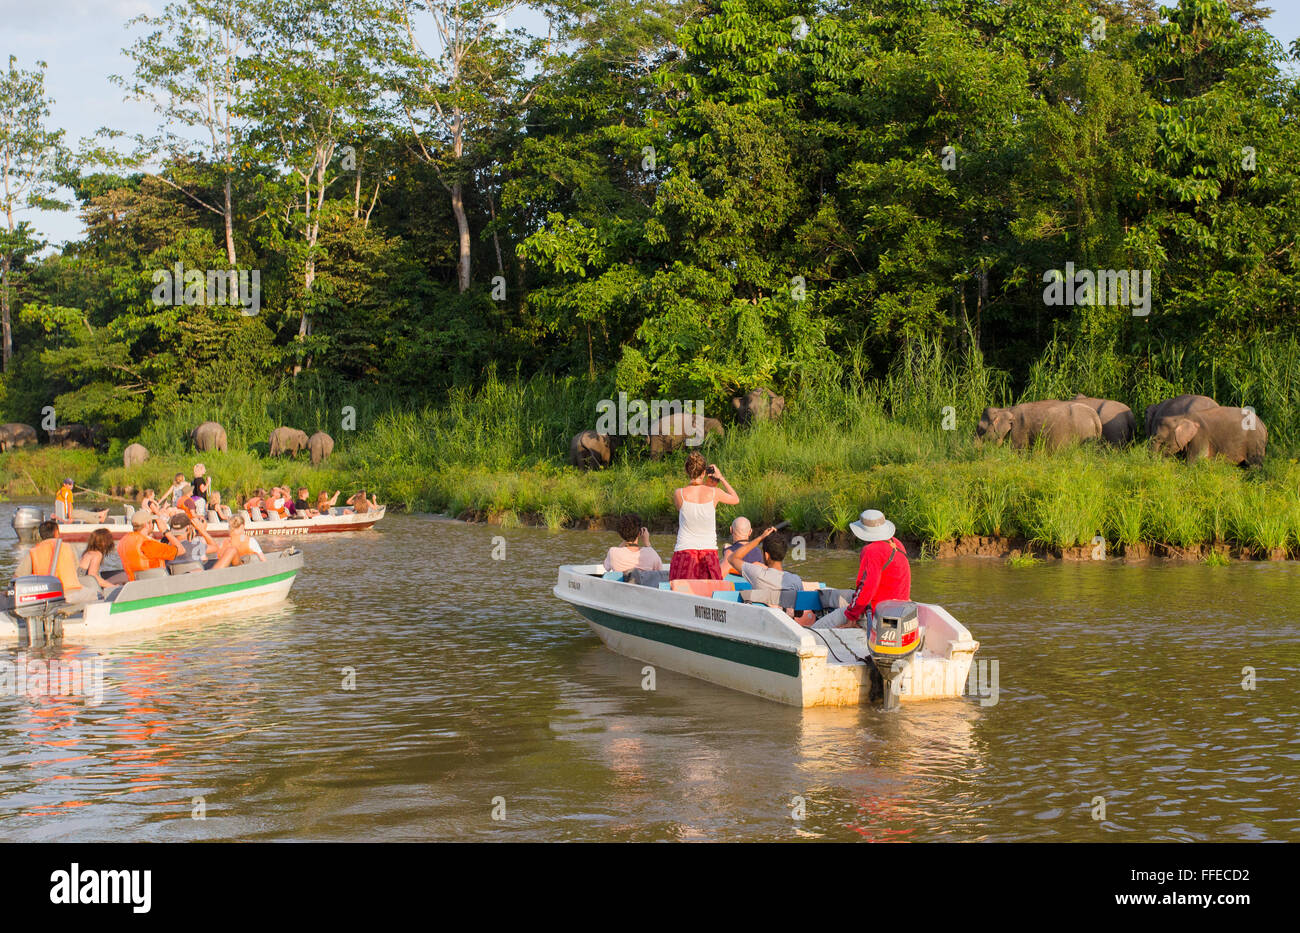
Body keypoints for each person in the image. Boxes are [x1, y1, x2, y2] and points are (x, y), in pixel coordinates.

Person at [813, 509, 911, 630]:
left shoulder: (871, 551)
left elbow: (866, 587)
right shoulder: (896, 543)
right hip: (897, 609)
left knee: (817, 627)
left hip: (877, 614)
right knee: (843, 596)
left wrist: (851, 617)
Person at [668, 452, 738, 581]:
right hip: (708, 552)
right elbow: (735, 499)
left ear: (686, 471)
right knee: (709, 594)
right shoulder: (715, 493)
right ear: (704, 472)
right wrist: (721, 478)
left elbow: (682, 509)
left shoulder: (679, 493)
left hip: (685, 551)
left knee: (681, 593)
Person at [19, 520, 98, 604]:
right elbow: (76, 568)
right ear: (56, 532)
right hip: (70, 592)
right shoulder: (68, 547)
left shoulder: (33, 552)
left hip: (46, 595)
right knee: (96, 594)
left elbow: (18, 576)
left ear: (41, 535)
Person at [116, 511, 184, 582]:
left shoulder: (123, 541)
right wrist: (165, 531)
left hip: (135, 583)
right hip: (156, 583)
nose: (153, 525)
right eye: (152, 522)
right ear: (146, 524)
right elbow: (181, 550)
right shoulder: (148, 544)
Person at [77, 528, 119, 594]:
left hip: (80, 582)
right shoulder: (97, 554)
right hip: (86, 586)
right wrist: (112, 587)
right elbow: (92, 575)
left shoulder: (88, 553)